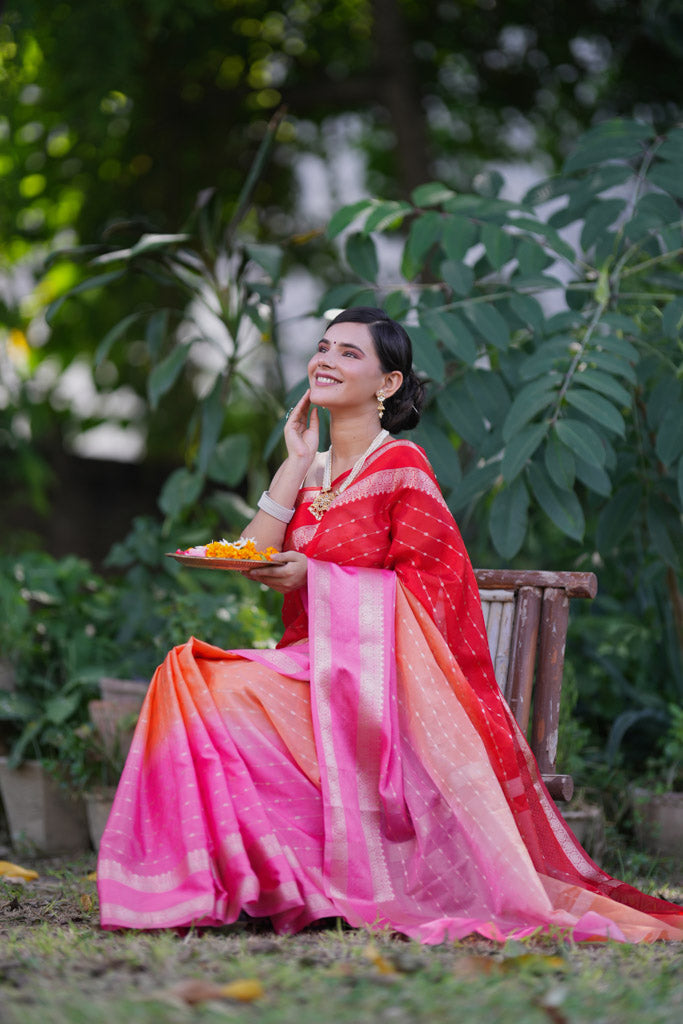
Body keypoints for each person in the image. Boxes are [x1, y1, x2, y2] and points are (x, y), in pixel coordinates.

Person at [97, 307, 683, 943]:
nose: (326, 359)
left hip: (383, 696)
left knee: (215, 690)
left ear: (387, 385)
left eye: (350, 353)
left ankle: (280, 885)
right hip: (310, 669)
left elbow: (437, 595)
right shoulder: (316, 469)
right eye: (324, 347)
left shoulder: (402, 465)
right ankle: (257, 884)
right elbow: (252, 556)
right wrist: (293, 465)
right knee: (189, 679)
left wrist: (316, 580)